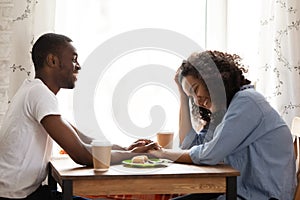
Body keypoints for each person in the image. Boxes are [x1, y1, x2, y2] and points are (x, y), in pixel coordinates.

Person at [0, 33, 158, 200]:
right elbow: (81, 154)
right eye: (74, 59)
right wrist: (133, 157)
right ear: (52, 61)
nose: (79, 66)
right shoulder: (39, 94)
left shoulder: (36, 92)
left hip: (27, 194)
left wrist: (125, 149)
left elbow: (84, 139)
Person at [150, 50, 296, 200]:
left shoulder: (247, 102)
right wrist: (183, 95)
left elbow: (209, 155)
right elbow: (190, 145)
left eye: (195, 90)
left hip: (260, 196)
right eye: (191, 97)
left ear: (212, 80)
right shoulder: (228, 108)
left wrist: (162, 154)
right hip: (236, 192)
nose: (197, 101)